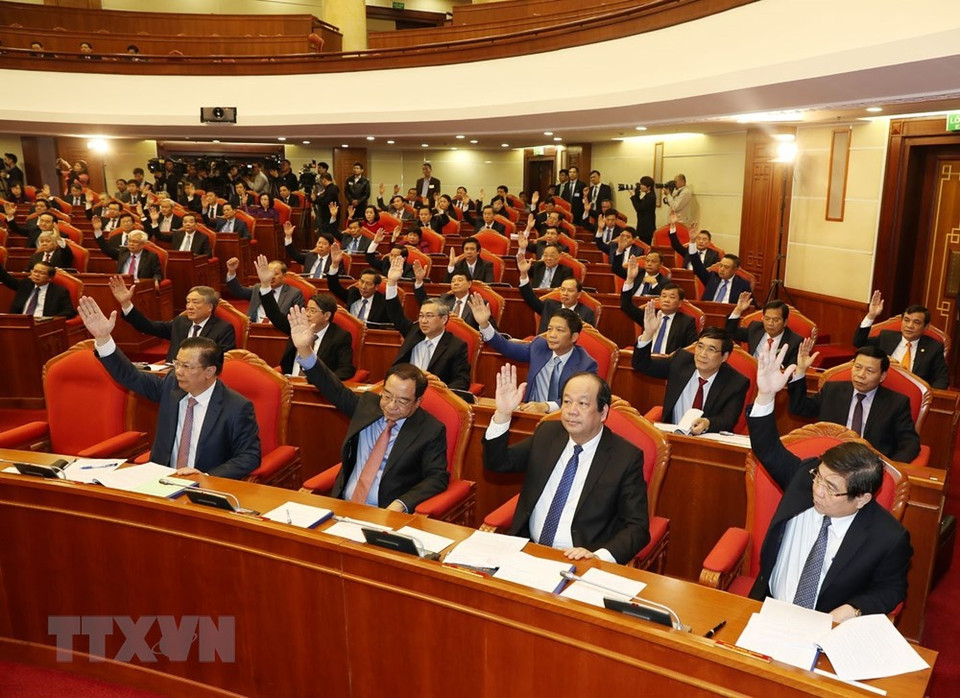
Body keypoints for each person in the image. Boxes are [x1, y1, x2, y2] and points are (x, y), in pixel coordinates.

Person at [746, 342, 912, 620]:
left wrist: (854, 608)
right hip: (768, 607)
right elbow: (767, 449)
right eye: (819, 479)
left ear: (862, 498)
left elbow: (892, 588)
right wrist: (765, 395)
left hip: (826, 624)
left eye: (832, 489)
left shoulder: (889, 537)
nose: (818, 491)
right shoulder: (803, 478)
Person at [77, 297, 260, 480]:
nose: (178, 372)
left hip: (205, 489)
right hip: (161, 481)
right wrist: (103, 338)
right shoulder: (171, 385)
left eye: (186, 367)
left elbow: (249, 456)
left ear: (209, 371)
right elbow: (131, 376)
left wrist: (206, 476)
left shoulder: (237, 406)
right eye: (177, 364)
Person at [482, 365, 650, 564]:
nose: (572, 411)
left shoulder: (625, 457)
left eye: (582, 404)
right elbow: (497, 463)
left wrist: (598, 556)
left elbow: (637, 527)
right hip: (527, 549)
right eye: (567, 402)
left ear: (603, 412)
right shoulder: (548, 434)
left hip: (580, 559)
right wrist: (503, 414)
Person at [289, 306, 449, 511]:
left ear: (418, 402)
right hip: (343, 505)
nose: (391, 406)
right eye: (387, 396)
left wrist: (401, 504)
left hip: (386, 513)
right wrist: (305, 350)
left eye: (401, 401)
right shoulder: (367, 405)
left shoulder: (430, 430)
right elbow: (332, 387)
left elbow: (437, 478)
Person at [787, 341, 921, 463]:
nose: (861, 375)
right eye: (857, 367)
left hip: (868, 467)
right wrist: (800, 371)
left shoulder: (896, 403)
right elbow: (799, 408)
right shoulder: (832, 390)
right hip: (829, 461)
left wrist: (889, 469)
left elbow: (910, 443)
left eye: (869, 371)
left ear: (882, 376)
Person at [470, 295, 597, 413]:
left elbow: (579, 398)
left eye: (559, 330)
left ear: (574, 336)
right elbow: (506, 347)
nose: (551, 335)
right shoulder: (540, 346)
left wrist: (546, 406)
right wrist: (484, 324)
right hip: (529, 413)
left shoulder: (586, 364)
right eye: (549, 329)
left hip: (562, 419)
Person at [632, 308, 749, 434]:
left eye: (711, 349)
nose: (702, 354)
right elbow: (641, 364)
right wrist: (648, 334)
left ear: (724, 357)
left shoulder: (736, 382)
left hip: (708, 440)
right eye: (700, 346)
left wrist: (707, 423)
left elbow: (728, 419)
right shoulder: (680, 361)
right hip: (672, 435)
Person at [252, 256, 354, 379]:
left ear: (326, 315)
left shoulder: (340, 336)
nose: (307, 314)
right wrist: (265, 285)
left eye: (312, 311)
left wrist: (323, 381)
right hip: (290, 382)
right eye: (307, 309)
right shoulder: (298, 327)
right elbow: (275, 316)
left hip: (317, 389)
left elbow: (346, 369)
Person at [384, 257, 471, 391]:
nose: (423, 321)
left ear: (443, 319)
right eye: (421, 316)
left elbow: (461, 381)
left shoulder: (456, 346)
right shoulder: (414, 331)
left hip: (433, 395)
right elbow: (396, 314)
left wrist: (442, 389)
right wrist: (391, 282)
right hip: (402, 390)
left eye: (429, 316)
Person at [109, 277, 235, 361]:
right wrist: (126, 303)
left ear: (209, 307)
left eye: (195, 302)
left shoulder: (224, 329)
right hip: (171, 376)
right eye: (188, 302)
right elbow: (148, 326)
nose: (189, 307)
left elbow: (222, 361)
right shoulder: (181, 322)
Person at [852, 291, 949, 389]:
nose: (910, 326)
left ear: (926, 327)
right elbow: (859, 343)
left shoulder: (933, 347)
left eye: (916, 322)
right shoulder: (886, 337)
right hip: (882, 389)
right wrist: (871, 315)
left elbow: (941, 379)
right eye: (906, 320)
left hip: (912, 393)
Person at [517, 252, 596, 333]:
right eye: (563, 289)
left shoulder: (587, 313)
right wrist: (523, 273)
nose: (565, 293)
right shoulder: (549, 305)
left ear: (578, 295)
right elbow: (530, 298)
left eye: (570, 290)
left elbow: (588, 337)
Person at [671, 225, 749, 303]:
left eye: (726, 267)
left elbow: (753, 306)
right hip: (708, 311)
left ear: (735, 269)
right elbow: (697, 265)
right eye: (720, 266)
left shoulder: (743, 284)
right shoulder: (711, 278)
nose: (721, 269)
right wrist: (692, 241)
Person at [621, 280, 698, 355]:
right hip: (645, 359)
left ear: (680, 303)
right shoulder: (650, 315)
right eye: (664, 296)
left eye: (672, 297)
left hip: (668, 362)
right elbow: (626, 306)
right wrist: (629, 280)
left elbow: (691, 348)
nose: (666, 300)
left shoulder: (686, 322)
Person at [726, 294, 803, 368]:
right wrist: (738, 310)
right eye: (767, 319)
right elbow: (731, 332)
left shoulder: (795, 342)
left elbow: (792, 369)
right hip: (752, 374)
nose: (770, 323)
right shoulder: (755, 328)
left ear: (785, 322)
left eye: (776, 320)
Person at [225, 255, 303, 323]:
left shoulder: (294, 294)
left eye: (276, 274)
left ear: (284, 275)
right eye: (269, 273)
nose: (272, 277)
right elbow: (238, 291)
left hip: (277, 331)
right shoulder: (258, 288)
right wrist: (231, 272)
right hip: (254, 328)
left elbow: (297, 319)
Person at [326, 243, 390, 324]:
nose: (363, 287)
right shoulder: (353, 293)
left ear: (376, 287)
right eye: (362, 282)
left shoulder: (383, 302)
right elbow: (333, 287)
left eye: (368, 284)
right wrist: (335, 265)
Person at [0, 260, 75, 318]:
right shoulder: (25, 285)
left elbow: (69, 312)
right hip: (21, 323)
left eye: (41, 273)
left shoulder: (59, 292)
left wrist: (50, 320)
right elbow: (7, 279)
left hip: (43, 326)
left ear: (50, 278)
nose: (36, 275)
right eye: (35, 271)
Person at [95, 229, 164, 284]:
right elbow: (106, 249)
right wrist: (98, 230)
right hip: (122, 286)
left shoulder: (151, 256)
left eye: (135, 242)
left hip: (140, 287)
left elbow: (157, 274)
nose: (131, 244)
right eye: (130, 241)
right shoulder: (123, 252)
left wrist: (156, 281)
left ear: (143, 244)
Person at [629, 176, 657, 244]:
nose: (641, 186)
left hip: (647, 228)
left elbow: (639, 208)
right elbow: (640, 204)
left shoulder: (651, 197)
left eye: (643, 185)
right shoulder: (647, 195)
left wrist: (632, 197)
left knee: (645, 245)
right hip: (643, 226)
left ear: (649, 187)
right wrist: (636, 195)